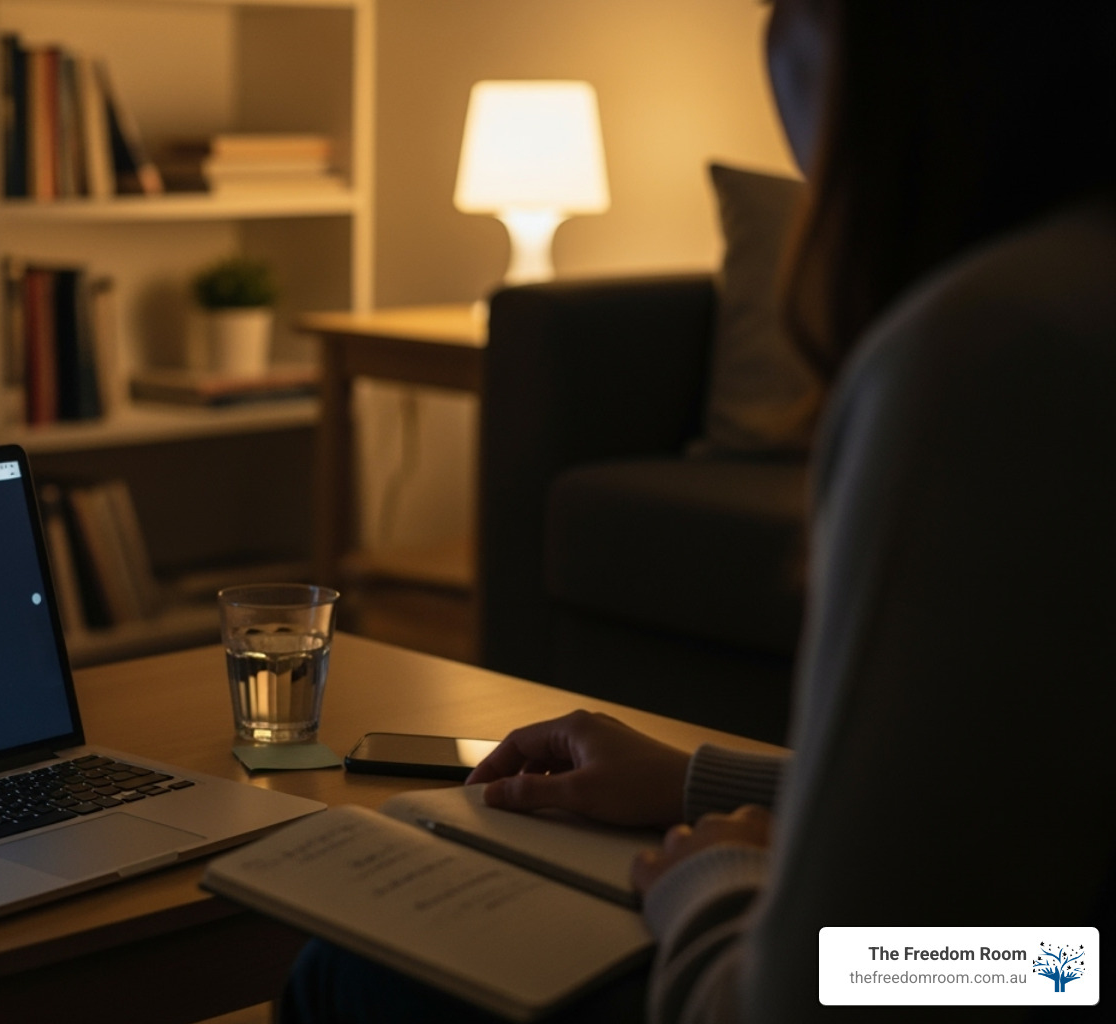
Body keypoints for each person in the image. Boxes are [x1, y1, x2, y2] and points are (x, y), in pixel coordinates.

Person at [283, 2, 1116, 1021]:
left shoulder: (994, 353)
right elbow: (1058, 946)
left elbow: (832, 996)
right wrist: (699, 785)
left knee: (350, 970)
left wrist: (716, 882)